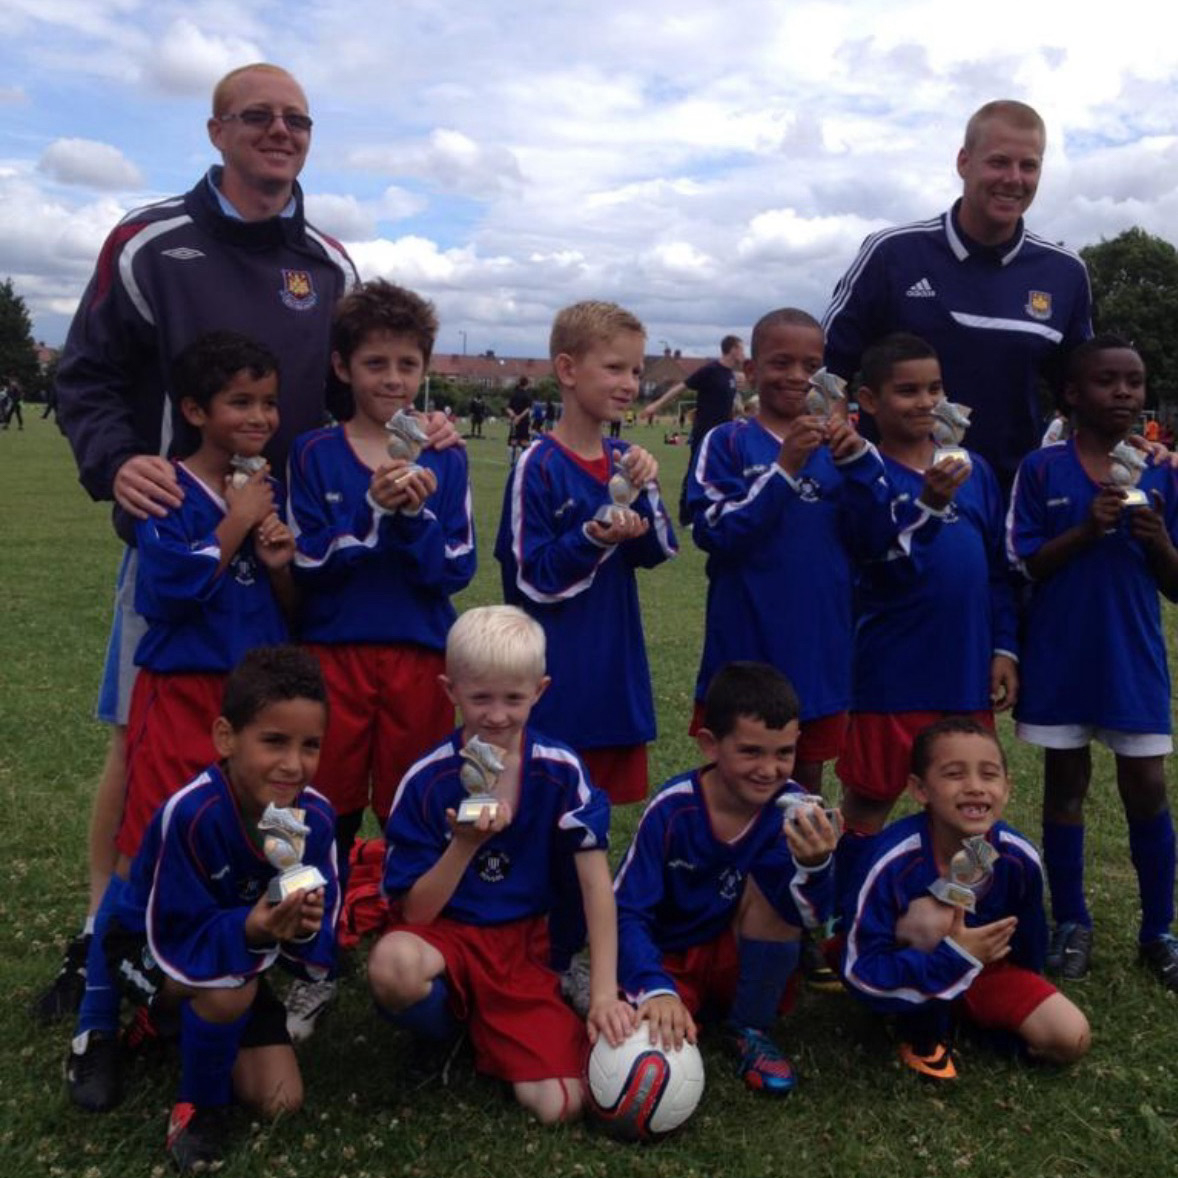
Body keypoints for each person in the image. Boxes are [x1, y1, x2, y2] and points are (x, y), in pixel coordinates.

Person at [39, 62, 360, 1026]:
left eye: (297, 119)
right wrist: (117, 465)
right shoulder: (149, 244)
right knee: (141, 746)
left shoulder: (331, 267)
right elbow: (85, 377)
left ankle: (249, 937)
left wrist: (407, 435)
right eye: (257, 116)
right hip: (179, 545)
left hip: (283, 560)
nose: (280, 131)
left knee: (276, 747)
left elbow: (352, 397)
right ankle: (104, 941)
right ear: (216, 131)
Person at [65, 331, 298, 1098]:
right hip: (181, 695)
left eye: (269, 402)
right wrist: (235, 520)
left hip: (249, 700)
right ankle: (96, 1023)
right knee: (144, 853)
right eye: (241, 402)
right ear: (195, 410)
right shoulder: (165, 484)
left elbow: (280, 607)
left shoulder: (260, 488)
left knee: (240, 844)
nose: (260, 417)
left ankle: (201, 988)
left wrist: (277, 563)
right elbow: (167, 592)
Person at [70, 646, 339, 1172]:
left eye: (310, 745)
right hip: (151, 947)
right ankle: (196, 1106)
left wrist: (302, 927)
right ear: (225, 737)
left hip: (237, 952)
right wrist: (251, 928)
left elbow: (319, 936)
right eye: (274, 741)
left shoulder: (317, 819)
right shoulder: (191, 814)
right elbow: (173, 930)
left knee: (280, 1099)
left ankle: (171, 1025)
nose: (293, 764)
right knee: (227, 984)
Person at [368, 606, 636, 1124]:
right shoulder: (425, 779)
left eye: (513, 698)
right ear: (450, 691)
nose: (496, 715)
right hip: (447, 935)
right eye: (480, 698)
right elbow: (416, 914)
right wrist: (464, 844)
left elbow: (596, 889)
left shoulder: (562, 772)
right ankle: (443, 1031)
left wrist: (605, 994)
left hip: (526, 947)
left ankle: (499, 1023)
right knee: (393, 966)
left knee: (560, 1106)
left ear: (539, 690)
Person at [1007, 334, 1178, 990]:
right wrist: (1086, 529)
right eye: (1108, 381)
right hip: (1061, 654)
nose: (1124, 393)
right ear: (1073, 394)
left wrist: (1158, 541)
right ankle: (1072, 922)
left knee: (1147, 786)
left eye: (1134, 381)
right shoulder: (1041, 469)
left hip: (1131, 655)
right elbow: (1024, 563)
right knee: (1065, 785)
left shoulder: (1162, 471)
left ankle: (1158, 930)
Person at [287, 280, 474, 866]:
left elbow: (457, 568)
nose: (393, 379)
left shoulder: (446, 456)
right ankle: (323, 898)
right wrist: (370, 512)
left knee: (415, 798)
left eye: (407, 364)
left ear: (424, 369)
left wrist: (415, 517)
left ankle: (408, 902)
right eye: (375, 363)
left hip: (419, 655)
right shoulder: (313, 452)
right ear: (343, 366)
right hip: (334, 652)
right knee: (326, 798)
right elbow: (305, 562)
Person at [822, 100, 1093, 492]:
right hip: (891, 499)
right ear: (964, 162)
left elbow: (1085, 396)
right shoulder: (892, 254)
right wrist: (839, 445)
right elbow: (825, 370)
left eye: (1029, 166)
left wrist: (1127, 452)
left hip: (1008, 500)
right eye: (999, 162)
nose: (1014, 179)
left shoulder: (1065, 272)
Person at [833, 333, 1018, 905]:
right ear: (869, 400)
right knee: (870, 799)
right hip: (893, 673)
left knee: (969, 803)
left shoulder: (973, 469)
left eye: (934, 389)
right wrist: (930, 505)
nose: (925, 402)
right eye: (907, 390)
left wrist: (1004, 646)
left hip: (964, 671)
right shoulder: (864, 475)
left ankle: (961, 911)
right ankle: (846, 916)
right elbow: (883, 571)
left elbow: (997, 570)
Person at [684, 309, 898, 794]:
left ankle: (802, 846)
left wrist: (859, 466)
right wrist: (783, 471)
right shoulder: (728, 441)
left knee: (804, 782)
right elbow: (713, 532)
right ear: (751, 370)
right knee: (732, 777)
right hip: (743, 646)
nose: (798, 377)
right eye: (781, 363)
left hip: (818, 650)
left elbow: (877, 541)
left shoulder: (849, 451)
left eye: (811, 366)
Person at [615, 662, 837, 1095]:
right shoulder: (672, 810)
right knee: (643, 1047)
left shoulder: (792, 810)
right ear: (710, 745)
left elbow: (808, 918)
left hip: (739, 955)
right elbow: (625, 910)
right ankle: (674, 1003)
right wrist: (655, 987)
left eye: (784, 753)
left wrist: (816, 866)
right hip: (672, 959)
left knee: (774, 892)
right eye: (751, 752)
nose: (769, 769)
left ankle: (751, 1027)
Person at [495, 300, 676, 806]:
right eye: (615, 367)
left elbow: (659, 550)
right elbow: (530, 579)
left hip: (614, 671)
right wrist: (594, 537)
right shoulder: (538, 464)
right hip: (556, 677)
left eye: (636, 371)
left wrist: (646, 489)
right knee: (544, 812)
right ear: (568, 370)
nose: (629, 383)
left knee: (597, 814)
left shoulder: (623, 459)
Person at [843, 717, 1090, 1080]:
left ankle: (963, 1019)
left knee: (1071, 1037)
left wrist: (1025, 991)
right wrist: (952, 957)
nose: (975, 787)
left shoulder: (1016, 856)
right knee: (933, 920)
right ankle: (922, 1035)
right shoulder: (892, 859)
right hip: (909, 967)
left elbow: (1029, 938)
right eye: (954, 774)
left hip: (984, 971)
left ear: (1007, 788)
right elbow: (860, 971)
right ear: (920, 789)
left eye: (989, 775)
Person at [640, 335, 745, 523]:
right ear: (733, 350)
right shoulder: (710, 370)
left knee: (720, 471)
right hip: (704, 432)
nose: (744, 353)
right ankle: (686, 516)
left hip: (723, 435)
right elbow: (680, 387)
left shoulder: (730, 375)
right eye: (742, 349)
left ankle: (715, 509)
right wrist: (656, 405)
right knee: (695, 472)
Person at [507, 376, 532, 465]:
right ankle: (521, 461)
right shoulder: (527, 395)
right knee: (524, 441)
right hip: (524, 421)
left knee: (513, 441)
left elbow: (508, 408)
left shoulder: (514, 394)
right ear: (527, 384)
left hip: (514, 421)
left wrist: (514, 416)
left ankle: (511, 461)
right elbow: (527, 409)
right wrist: (519, 417)